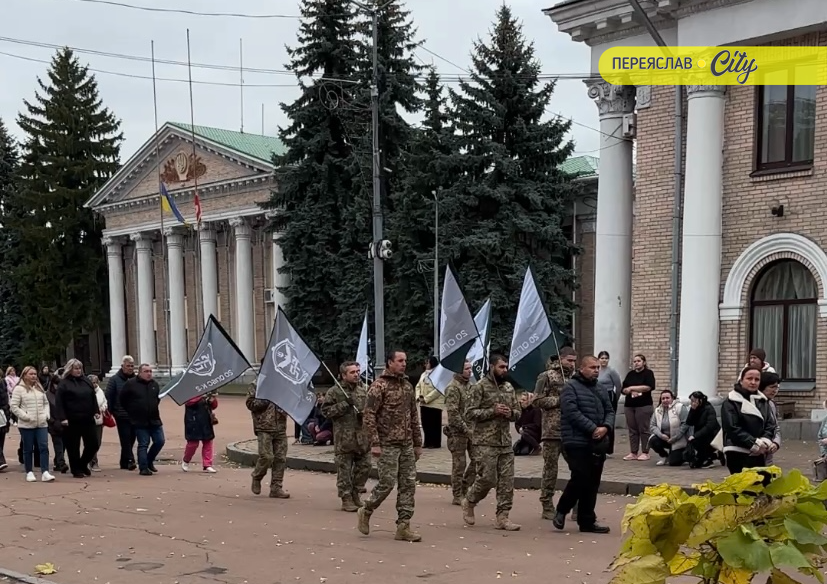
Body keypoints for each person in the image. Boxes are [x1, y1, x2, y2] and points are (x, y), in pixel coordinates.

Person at [357, 350, 423, 542]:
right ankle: (367, 509)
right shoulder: (379, 386)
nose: (404, 364)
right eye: (400, 361)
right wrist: (375, 443)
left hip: (406, 444)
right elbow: (369, 415)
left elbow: (413, 415)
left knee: (408, 484)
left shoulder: (408, 387)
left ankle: (403, 526)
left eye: (405, 360)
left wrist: (418, 443)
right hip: (387, 444)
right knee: (387, 483)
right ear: (389, 363)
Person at [462, 354, 521, 532]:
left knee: (507, 481)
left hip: (505, 442)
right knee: (488, 479)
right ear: (492, 367)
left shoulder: (509, 387)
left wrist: (510, 412)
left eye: (506, 367)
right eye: (501, 367)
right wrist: (492, 411)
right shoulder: (479, 387)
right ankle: (470, 500)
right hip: (485, 441)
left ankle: (503, 517)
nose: (504, 370)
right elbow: (469, 413)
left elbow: (518, 412)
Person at [554, 356, 614, 534]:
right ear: (581, 369)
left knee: (593, 482)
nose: (596, 370)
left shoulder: (600, 388)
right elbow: (571, 412)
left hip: (598, 442)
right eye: (592, 367)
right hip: (576, 441)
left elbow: (610, 410)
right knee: (580, 477)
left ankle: (587, 521)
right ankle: (562, 509)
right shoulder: (570, 388)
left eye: (598, 367)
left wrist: (605, 427)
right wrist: (592, 428)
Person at [534, 347, 576, 520]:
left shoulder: (576, 378)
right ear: (560, 359)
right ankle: (547, 504)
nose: (572, 364)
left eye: (575, 361)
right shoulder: (546, 376)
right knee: (550, 470)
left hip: (572, 430)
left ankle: (576, 505)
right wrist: (559, 401)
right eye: (569, 360)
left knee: (578, 469)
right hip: (552, 431)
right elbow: (537, 400)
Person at [322, 361, 370, 512]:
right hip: (344, 438)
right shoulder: (335, 392)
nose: (356, 374)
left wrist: (366, 416)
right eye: (352, 372)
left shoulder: (364, 390)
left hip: (362, 438)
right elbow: (326, 412)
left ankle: (356, 493)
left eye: (357, 371)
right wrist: (343, 405)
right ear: (344, 375)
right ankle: (346, 498)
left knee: (365, 467)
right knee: (344, 470)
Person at [721, 365, 777, 474]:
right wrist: (754, 443)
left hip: (759, 451)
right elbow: (732, 427)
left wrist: (764, 442)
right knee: (744, 487)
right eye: (749, 378)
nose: (753, 382)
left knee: (762, 483)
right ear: (741, 380)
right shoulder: (731, 401)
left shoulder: (763, 401)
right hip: (737, 450)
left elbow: (770, 424)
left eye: (757, 379)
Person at [55, 359, 100, 478]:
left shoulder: (86, 381)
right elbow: (59, 402)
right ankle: (76, 469)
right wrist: (62, 418)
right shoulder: (64, 383)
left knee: (93, 444)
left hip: (87, 418)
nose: (78, 370)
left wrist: (96, 410)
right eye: (76, 368)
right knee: (73, 446)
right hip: (71, 420)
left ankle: (82, 463)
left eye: (80, 368)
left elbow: (92, 397)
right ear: (70, 369)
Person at [119, 363, 165, 476]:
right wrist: (132, 411)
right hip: (139, 420)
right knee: (143, 443)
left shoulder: (154, 384)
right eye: (146, 371)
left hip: (154, 419)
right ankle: (143, 467)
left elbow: (156, 400)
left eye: (150, 371)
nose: (149, 374)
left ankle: (149, 461)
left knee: (160, 441)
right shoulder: (131, 384)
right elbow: (122, 399)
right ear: (140, 372)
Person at [10, 366, 54, 483]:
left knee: (43, 447)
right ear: (24, 375)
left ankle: (45, 472)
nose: (34, 376)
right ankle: (29, 471)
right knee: (28, 448)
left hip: (42, 423)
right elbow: (14, 406)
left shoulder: (39, 388)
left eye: (35, 374)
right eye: (31, 374)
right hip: (26, 424)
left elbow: (46, 403)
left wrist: (46, 415)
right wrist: (25, 416)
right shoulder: (19, 389)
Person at [245, 382, 290, 498]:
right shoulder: (257, 384)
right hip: (264, 426)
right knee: (267, 456)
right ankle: (257, 476)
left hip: (280, 426)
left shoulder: (282, 383)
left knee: (280, 458)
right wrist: (267, 399)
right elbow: (250, 404)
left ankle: (276, 487)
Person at [444, 360, 475, 506]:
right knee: (459, 464)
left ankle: (465, 486)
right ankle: (457, 494)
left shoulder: (470, 386)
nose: (469, 371)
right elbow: (453, 414)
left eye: (470, 368)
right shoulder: (452, 388)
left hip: (472, 431)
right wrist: (465, 429)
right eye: (466, 368)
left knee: (478, 460)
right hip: (458, 432)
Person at [621, 354, 656, 461]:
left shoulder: (648, 373)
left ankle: (645, 452)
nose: (636, 363)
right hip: (630, 405)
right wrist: (628, 390)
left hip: (643, 405)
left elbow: (649, 387)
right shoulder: (630, 374)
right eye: (635, 361)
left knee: (644, 429)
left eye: (638, 361)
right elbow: (623, 389)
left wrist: (632, 388)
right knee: (632, 430)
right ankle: (633, 452)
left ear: (644, 362)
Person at [106, 355, 137, 470]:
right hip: (121, 415)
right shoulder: (114, 380)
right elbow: (109, 396)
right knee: (125, 438)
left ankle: (123, 461)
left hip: (134, 415)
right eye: (128, 366)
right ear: (122, 366)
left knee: (132, 438)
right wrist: (111, 412)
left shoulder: (136, 380)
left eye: (132, 366)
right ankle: (130, 460)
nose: (130, 368)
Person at [647, 389, 688, 467]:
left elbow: (685, 424)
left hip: (679, 440)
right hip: (665, 438)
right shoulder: (657, 410)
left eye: (667, 398)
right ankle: (664, 456)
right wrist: (661, 435)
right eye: (663, 398)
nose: (665, 400)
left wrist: (675, 437)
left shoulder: (680, 407)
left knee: (674, 463)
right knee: (653, 440)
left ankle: (684, 455)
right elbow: (652, 425)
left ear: (672, 398)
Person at [182, 393, 218, 473]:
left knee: (208, 442)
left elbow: (213, 406)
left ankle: (207, 464)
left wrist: (213, 400)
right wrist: (201, 396)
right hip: (193, 421)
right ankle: (186, 460)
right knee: (193, 444)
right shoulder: (190, 390)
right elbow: (189, 402)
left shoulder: (207, 390)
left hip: (206, 420)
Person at [685, 391, 723, 469]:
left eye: (694, 400)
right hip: (700, 434)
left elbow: (710, 426)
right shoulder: (695, 409)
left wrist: (695, 435)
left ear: (700, 400)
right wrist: (692, 410)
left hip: (711, 434)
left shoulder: (709, 408)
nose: (693, 403)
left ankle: (710, 458)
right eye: (691, 401)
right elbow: (689, 422)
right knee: (697, 463)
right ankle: (715, 455)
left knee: (699, 442)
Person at [596, 351, 622, 455]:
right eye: (602, 358)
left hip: (609, 397)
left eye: (606, 358)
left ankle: (609, 448)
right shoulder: (596, 370)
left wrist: (615, 398)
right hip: (598, 398)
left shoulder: (611, 371)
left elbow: (618, 386)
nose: (604, 360)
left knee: (608, 423)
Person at [417, 356, 443, 449]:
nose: (425, 365)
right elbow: (418, 386)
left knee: (434, 424)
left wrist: (427, 398)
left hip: (434, 403)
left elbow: (438, 389)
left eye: (427, 362)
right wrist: (418, 396)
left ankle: (435, 443)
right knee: (425, 423)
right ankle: (427, 441)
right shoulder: (423, 374)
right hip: (423, 403)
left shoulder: (438, 375)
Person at [45, 374, 67, 473]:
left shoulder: (64, 394)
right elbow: (46, 410)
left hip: (64, 423)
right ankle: (61, 463)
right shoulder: (47, 395)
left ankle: (58, 461)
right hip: (53, 423)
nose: (58, 386)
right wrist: (52, 421)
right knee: (58, 444)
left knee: (64, 445)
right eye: (56, 384)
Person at [759, 371, 782, 465]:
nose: (775, 390)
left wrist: (776, 443)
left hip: (768, 452)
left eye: (776, 387)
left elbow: (776, 426)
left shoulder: (771, 404)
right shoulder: (753, 404)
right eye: (772, 387)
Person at [88, 375, 108, 472]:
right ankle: (93, 461)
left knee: (98, 442)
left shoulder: (100, 392)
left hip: (99, 420)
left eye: (95, 382)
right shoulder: (86, 392)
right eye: (92, 382)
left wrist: (103, 407)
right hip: (88, 420)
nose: (94, 384)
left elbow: (104, 402)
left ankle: (91, 460)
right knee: (91, 442)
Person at [0, 367, 9, 472]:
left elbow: (5, 399)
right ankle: (1, 460)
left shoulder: (2, 383)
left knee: (1, 437)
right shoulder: (3, 383)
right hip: (3, 412)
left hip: (2, 413)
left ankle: (1, 460)